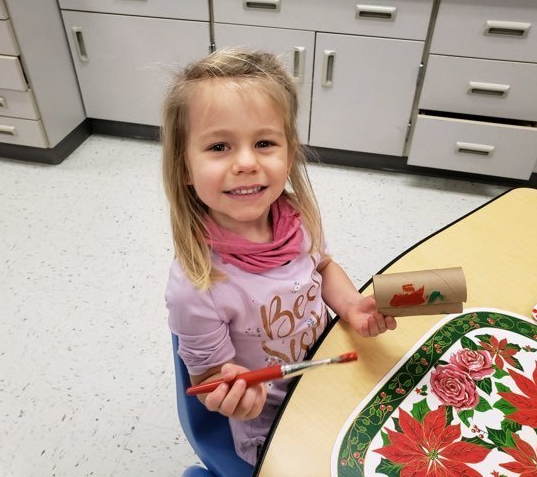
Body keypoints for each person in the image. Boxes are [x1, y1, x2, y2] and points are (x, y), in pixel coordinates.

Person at [162, 48, 397, 465]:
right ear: (184, 168)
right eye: (219, 146)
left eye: (264, 143)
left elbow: (323, 266)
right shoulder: (196, 288)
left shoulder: (298, 216)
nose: (246, 162)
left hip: (331, 376)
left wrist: (351, 305)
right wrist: (232, 395)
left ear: (289, 155)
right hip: (270, 424)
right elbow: (209, 381)